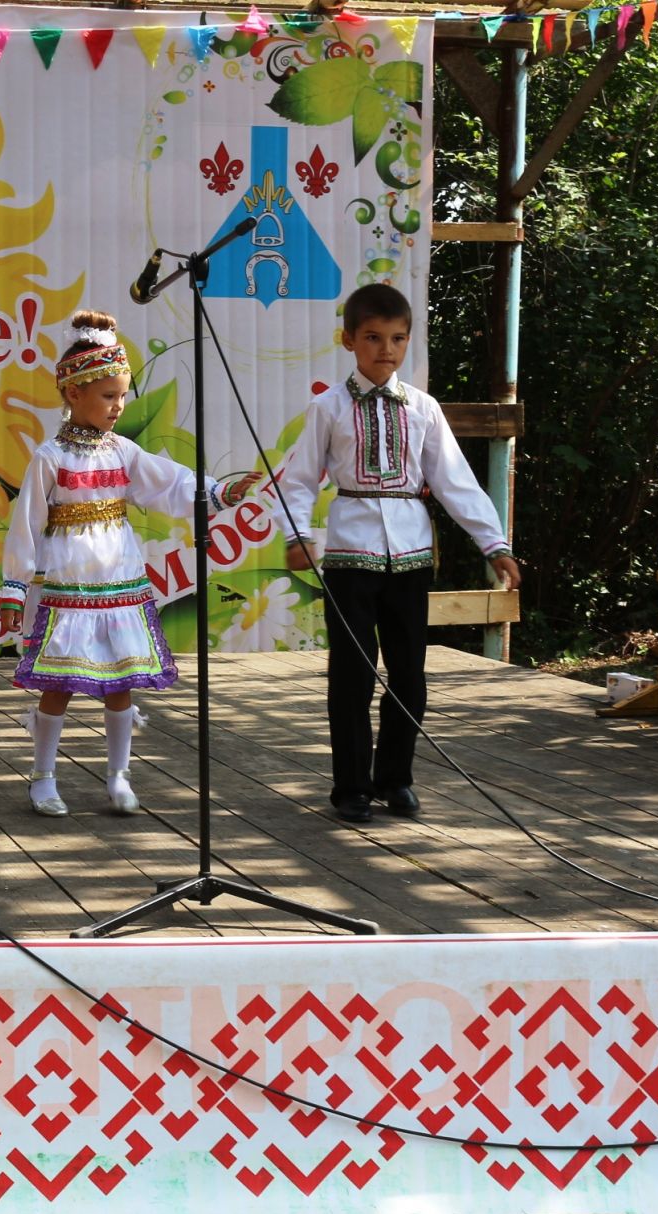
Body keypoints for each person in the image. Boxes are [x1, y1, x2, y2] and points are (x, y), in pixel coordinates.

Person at [0, 311, 261, 817]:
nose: (119, 406)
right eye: (108, 396)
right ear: (73, 394)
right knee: (59, 683)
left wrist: (220, 491)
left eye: (122, 395)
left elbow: (172, 484)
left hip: (117, 578)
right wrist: (14, 588)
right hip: (67, 582)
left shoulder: (125, 452)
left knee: (120, 681)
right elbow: (25, 524)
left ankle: (119, 775)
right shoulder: (49, 457)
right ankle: (43, 775)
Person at [274, 283, 523, 823]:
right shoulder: (329, 407)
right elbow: (297, 480)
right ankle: (351, 787)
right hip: (349, 552)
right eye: (373, 338)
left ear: (407, 341)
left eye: (397, 338)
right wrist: (298, 536)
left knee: (409, 671)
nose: (385, 349)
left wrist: (494, 544)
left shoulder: (424, 408)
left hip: (410, 552)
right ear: (349, 341)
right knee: (353, 674)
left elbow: (455, 482)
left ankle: (396, 778)